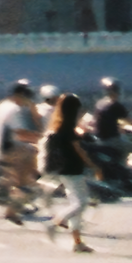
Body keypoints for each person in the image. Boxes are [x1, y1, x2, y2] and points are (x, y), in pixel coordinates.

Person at [42, 91, 101, 254]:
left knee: (76, 204)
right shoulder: (68, 127)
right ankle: (54, 223)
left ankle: (78, 242)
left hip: (63, 169)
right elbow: (79, 150)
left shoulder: (57, 125)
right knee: (80, 203)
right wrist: (94, 166)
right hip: (73, 168)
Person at [0, 80, 43, 203]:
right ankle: (24, 185)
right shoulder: (14, 109)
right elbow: (21, 133)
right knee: (32, 151)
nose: (28, 101)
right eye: (27, 97)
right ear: (19, 95)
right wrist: (42, 137)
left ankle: (13, 184)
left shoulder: (3, 105)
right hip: (4, 149)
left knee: (27, 149)